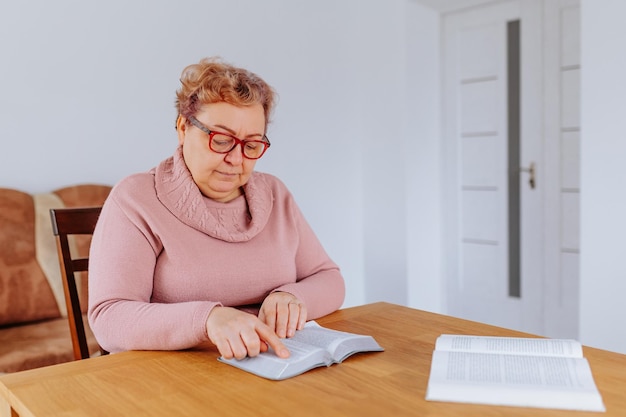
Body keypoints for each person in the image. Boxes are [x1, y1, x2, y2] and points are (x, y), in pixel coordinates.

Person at [88, 57, 345, 360]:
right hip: (175, 375)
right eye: (221, 140)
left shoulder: (274, 194)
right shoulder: (136, 198)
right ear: (183, 128)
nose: (236, 159)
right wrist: (207, 320)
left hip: (273, 366)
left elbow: (330, 279)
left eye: (251, 145)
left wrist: (293, 296)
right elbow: (109, 318)